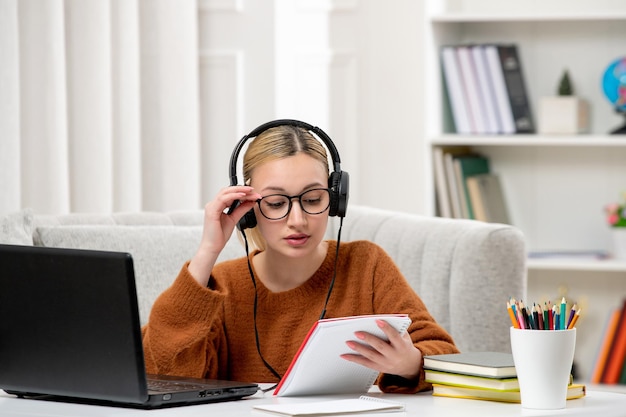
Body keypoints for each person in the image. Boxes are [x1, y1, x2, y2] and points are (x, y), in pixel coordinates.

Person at [142, 121, 458, 394]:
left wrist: (411, 363)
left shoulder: (366, 264)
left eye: (312, 199)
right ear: (248, 208)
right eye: (277, 203)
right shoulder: (221, 286)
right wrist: (207, 251)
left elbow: (445, 355)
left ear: (335, 200)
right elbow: (161, 370)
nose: (298, 220)